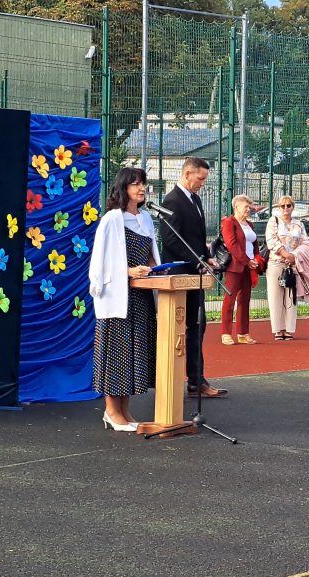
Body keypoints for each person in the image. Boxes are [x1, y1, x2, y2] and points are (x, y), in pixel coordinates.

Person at [88, 167, 161, 431]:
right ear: (123, 188)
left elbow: (151, 255)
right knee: (117, 352)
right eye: (135, 184)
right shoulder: (111, 219)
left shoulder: (146, 218)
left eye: (143, 183)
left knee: (133, 352)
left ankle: (125, 411)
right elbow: (100, 260)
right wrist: (128, 271)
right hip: (119, 297)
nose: (142, 188)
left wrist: (158, 270)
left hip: (142, 296)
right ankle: (111, 411)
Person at [160, 157, 228, 398]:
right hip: (180, 275)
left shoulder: (196, 199)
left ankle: (196, 380)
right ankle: (175, 381)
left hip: (196, 274)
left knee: (198, 325)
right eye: (200, 178)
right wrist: (196, 261)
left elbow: (196, 237)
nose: (202, 183)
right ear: (187, 173)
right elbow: (170, 239)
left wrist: (207, 256)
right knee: (182, 328)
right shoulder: (172, 201)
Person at [265, 195, 309, 341]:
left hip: (292, 264)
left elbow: (306, 242)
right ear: (278, 207)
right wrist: (285, 254)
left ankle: (289, 329)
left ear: (293, 207)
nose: (286, 208)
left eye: (288, 205)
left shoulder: (299, 224)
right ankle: (278, 329)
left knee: (291, 297)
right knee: (275, 296)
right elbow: (271, 240)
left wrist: (294, 256)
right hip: (276, 262)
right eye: (282, 206)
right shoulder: (273, 221)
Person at [219, 195, 261, 345]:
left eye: (249, 207)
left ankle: (243, 333)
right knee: (229, 299)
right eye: (245, 207)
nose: (248, 210)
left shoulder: (250, 224)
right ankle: (226, 333)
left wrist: (256, 259)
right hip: (235, 267)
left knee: (245, 299)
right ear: (236, 207)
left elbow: (254, 244)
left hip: (249, 267)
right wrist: (246, 261)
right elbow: (232, 244)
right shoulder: (229, 223)